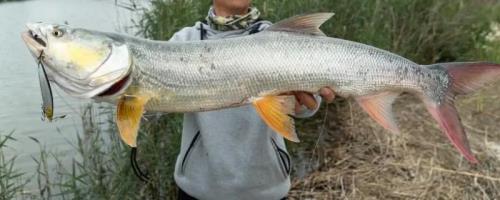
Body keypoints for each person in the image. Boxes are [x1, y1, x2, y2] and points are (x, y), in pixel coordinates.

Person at [169, 1, 335, 199]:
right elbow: (149, 105)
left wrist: (300, 102)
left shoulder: (281, 37)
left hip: (266, 191)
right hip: (197, 191)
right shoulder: (183, 41)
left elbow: (310, 107)